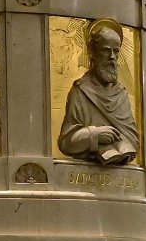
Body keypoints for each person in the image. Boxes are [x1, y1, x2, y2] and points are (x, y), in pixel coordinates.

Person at [59, 20, 141, 165]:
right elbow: (66, 142)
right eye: (106, 50)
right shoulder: (80, 91)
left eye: (116, 51)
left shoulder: (121, 94)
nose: (112, 57)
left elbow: (133, 139)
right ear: (93, 53)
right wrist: (94, 135)